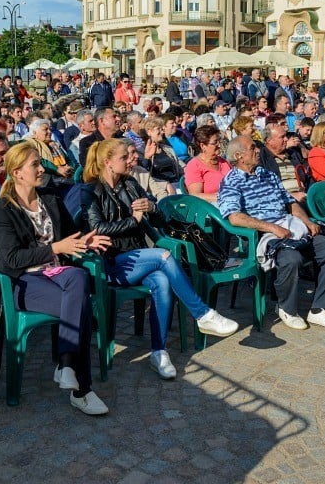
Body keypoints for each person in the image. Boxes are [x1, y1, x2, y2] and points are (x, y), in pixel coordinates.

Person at [81, 139, 238, 377]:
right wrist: (133, 220)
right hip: (111, 262)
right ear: (107, 162)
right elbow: (98, 228)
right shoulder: (90, 190)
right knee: (163, 256)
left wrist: (151, 208)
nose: (131, 160)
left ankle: (159, 352)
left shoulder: (130, 183)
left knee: (162, 282)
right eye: (124, 157)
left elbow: (157, 221)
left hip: (137, 255)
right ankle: (202, 314)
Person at [0, 142, 110, 414]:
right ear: (18, 172)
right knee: (79, 307)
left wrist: (85, 241)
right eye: (35, 165)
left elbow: (71, 236)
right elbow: (12, 259)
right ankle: (82, 389)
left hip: (58, 274)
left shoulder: (51, 200)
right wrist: (56, 248)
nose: (42, 169)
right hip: (24, 281)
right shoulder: (3, 209)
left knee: (77, 277)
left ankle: (67, 365)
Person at [217, 136, 325, 332]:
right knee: (291, 259)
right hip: (264, 234)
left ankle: (319, 309)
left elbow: (290, 203)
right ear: (239, 156)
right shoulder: (231, 181)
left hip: (290, 227)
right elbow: (235, 217)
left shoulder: (267, 174)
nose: (258, 151)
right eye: (253, 148)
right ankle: (286, 307)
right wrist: (272, 228)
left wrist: (307, 221)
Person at [184, 125, 231, 202]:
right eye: (215, 142)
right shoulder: (194, 166)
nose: (219, 145)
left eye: (219, 141)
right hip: (211, 207)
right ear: (203, 146)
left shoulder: (223, 162)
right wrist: (222, 197)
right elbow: (195, 195)